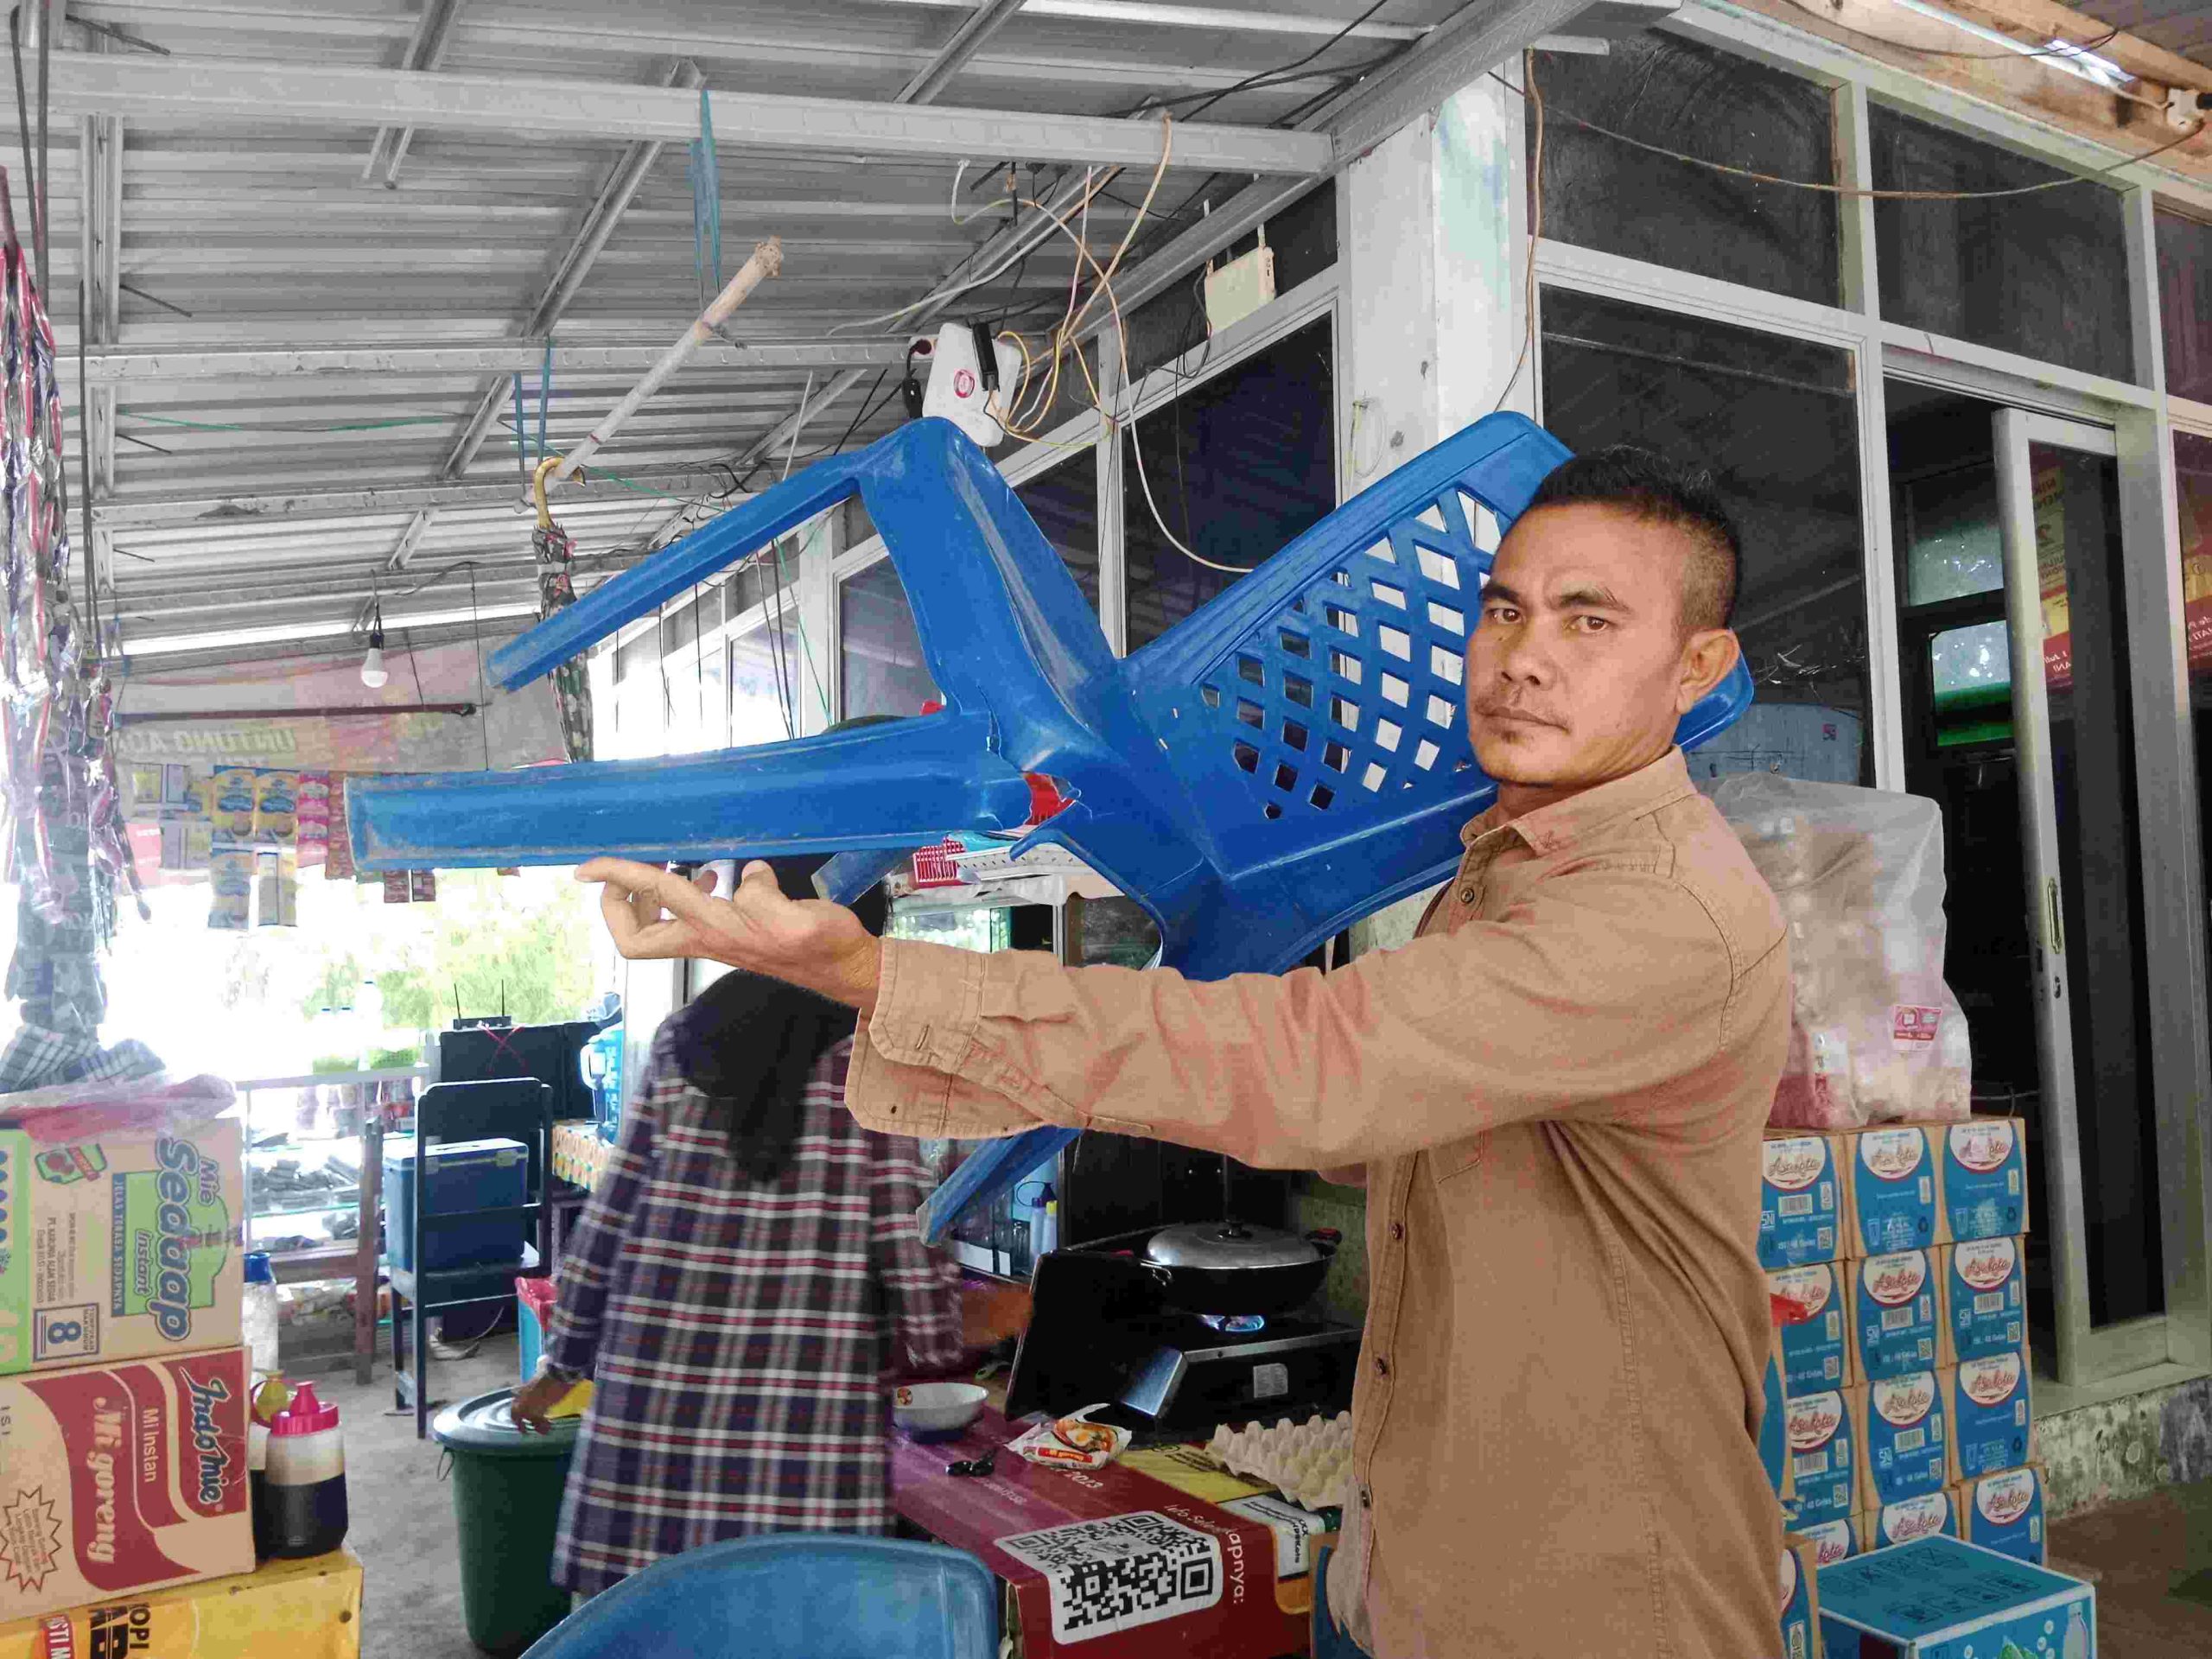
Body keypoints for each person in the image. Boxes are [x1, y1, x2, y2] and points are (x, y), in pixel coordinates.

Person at [575, 448, 1790, 1657]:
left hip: (1599, 1603)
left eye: (1590, 621)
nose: (1523, 656)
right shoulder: (1503, 867)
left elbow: (1320, 1063)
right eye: (1505, 609)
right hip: (1417, 1566)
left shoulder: (1663, 915)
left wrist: (868, 974)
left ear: (1698, 666)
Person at [511, 855, 964, 1601]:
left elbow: (608, 1223)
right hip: (805, 1478)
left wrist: (560, 1366)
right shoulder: (875, 1057)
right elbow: (914, 1276)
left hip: (647, 1466)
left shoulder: (682, 1037)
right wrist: (961, 1329)